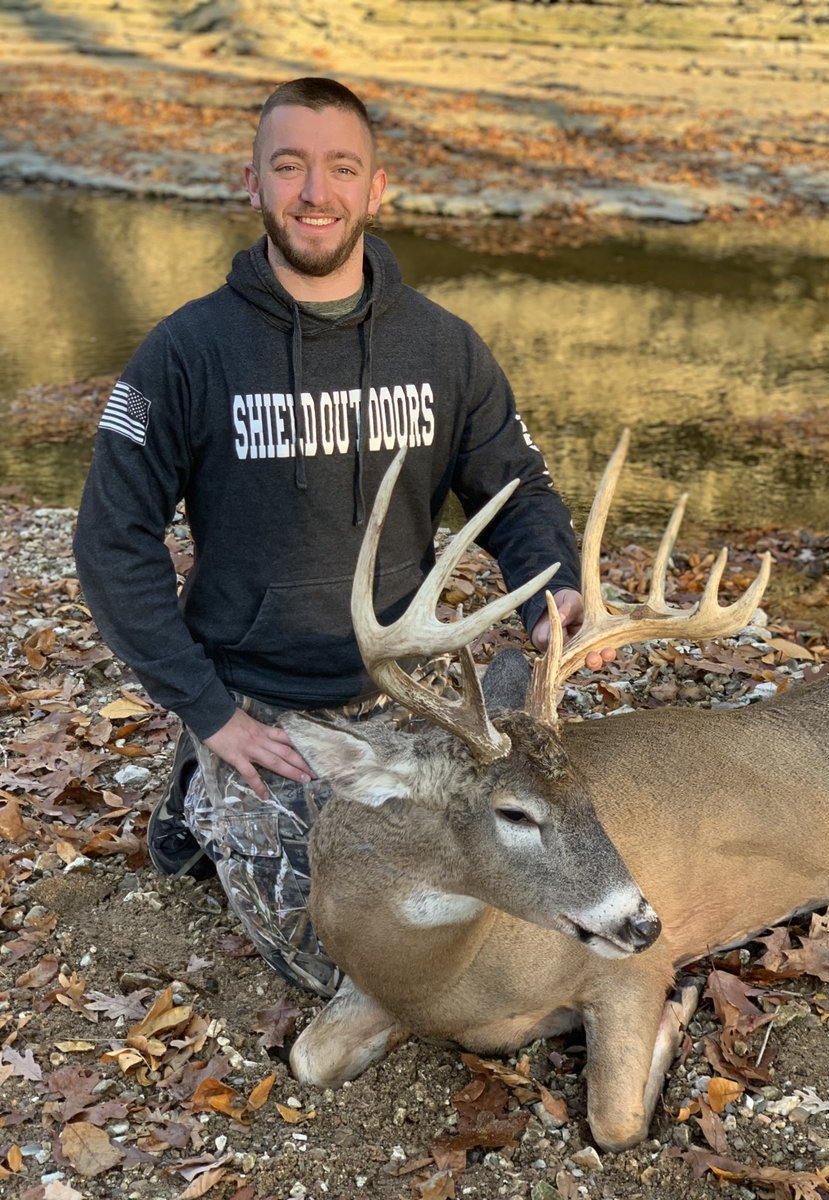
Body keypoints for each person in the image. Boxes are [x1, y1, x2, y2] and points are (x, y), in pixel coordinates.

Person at [73, 77, 599, 998]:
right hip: (263, 706)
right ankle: (202, 787)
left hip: (411, 697)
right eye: (290, 167)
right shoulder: (186, 352)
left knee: (549, 866)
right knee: (341, 964)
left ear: (376, 188)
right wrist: (209, 710)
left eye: (339, 168)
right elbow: (111, 542)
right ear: (253, 185)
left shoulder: (445, 350)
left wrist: (553, 582)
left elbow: (518, 491)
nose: (315, 192)